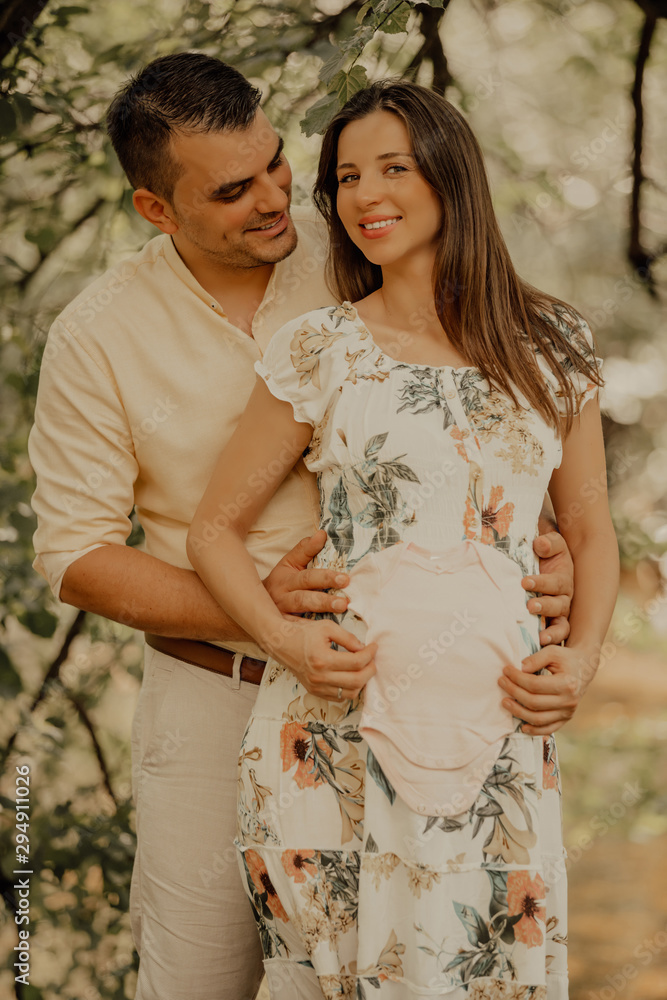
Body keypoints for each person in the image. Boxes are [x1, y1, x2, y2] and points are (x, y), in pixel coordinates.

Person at [28, 53, 574, 999]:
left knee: (397, 970)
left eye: (276, 162)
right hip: (215, 693)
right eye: (233, 190)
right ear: (157, 209)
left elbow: (493, 406)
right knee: (200, 980)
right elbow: (74, 556)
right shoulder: (97, 333)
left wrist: (548, 548)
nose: (276, 197)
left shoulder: (364, 240)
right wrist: (260, 614)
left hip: (409, 699)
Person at [187, 81, 619, 999]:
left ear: (450, 176)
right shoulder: (319, 349)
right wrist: (284, 639)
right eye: (346, 177)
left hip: (496, 738)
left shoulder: (554, 345)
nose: (365, 195)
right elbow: (213, 531)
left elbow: (589, 530)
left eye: (393, 167)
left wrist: (580, 662)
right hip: (332, 738)